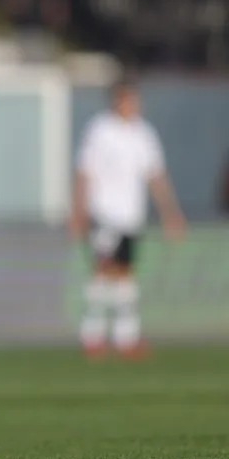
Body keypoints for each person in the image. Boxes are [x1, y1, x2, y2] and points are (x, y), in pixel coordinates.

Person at [68, 79, 185, 358]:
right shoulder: (100, 130)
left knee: (125, 273)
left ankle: (126, 336)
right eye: (125, 99)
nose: (131, 105)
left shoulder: (143, 133)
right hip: (104, 212)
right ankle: (92, 334)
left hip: (131, 215)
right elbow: (84, 172)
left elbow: (155, 176)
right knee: (103, 269)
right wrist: (78, 211)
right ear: (115, 100)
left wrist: (170, 213)